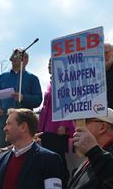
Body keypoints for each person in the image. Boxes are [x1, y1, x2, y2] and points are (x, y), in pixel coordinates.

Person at [0, 108, 65, 189]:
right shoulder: (1, 159)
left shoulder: (50, 160)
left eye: (8, 124)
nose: (4, 128)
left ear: (23, 127)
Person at [0, 49, 42, 149]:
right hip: (3, 121)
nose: (14, 59)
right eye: (13, 57)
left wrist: (23, 97)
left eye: (18, 57)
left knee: (22, 150)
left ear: (26, 60)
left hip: (23, 123)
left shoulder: (32, 78)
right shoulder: (3, 77)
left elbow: (38, 99)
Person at [38, 58, 75, 186]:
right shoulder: (50, 83)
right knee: (49, 159)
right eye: (48, 63)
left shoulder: (65, 82)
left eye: (51, 64)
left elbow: (68, 103)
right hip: (46, 128)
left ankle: (63, 184)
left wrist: (64, 124)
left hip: (57, 129)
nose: (48, 66)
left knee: (58, 159)